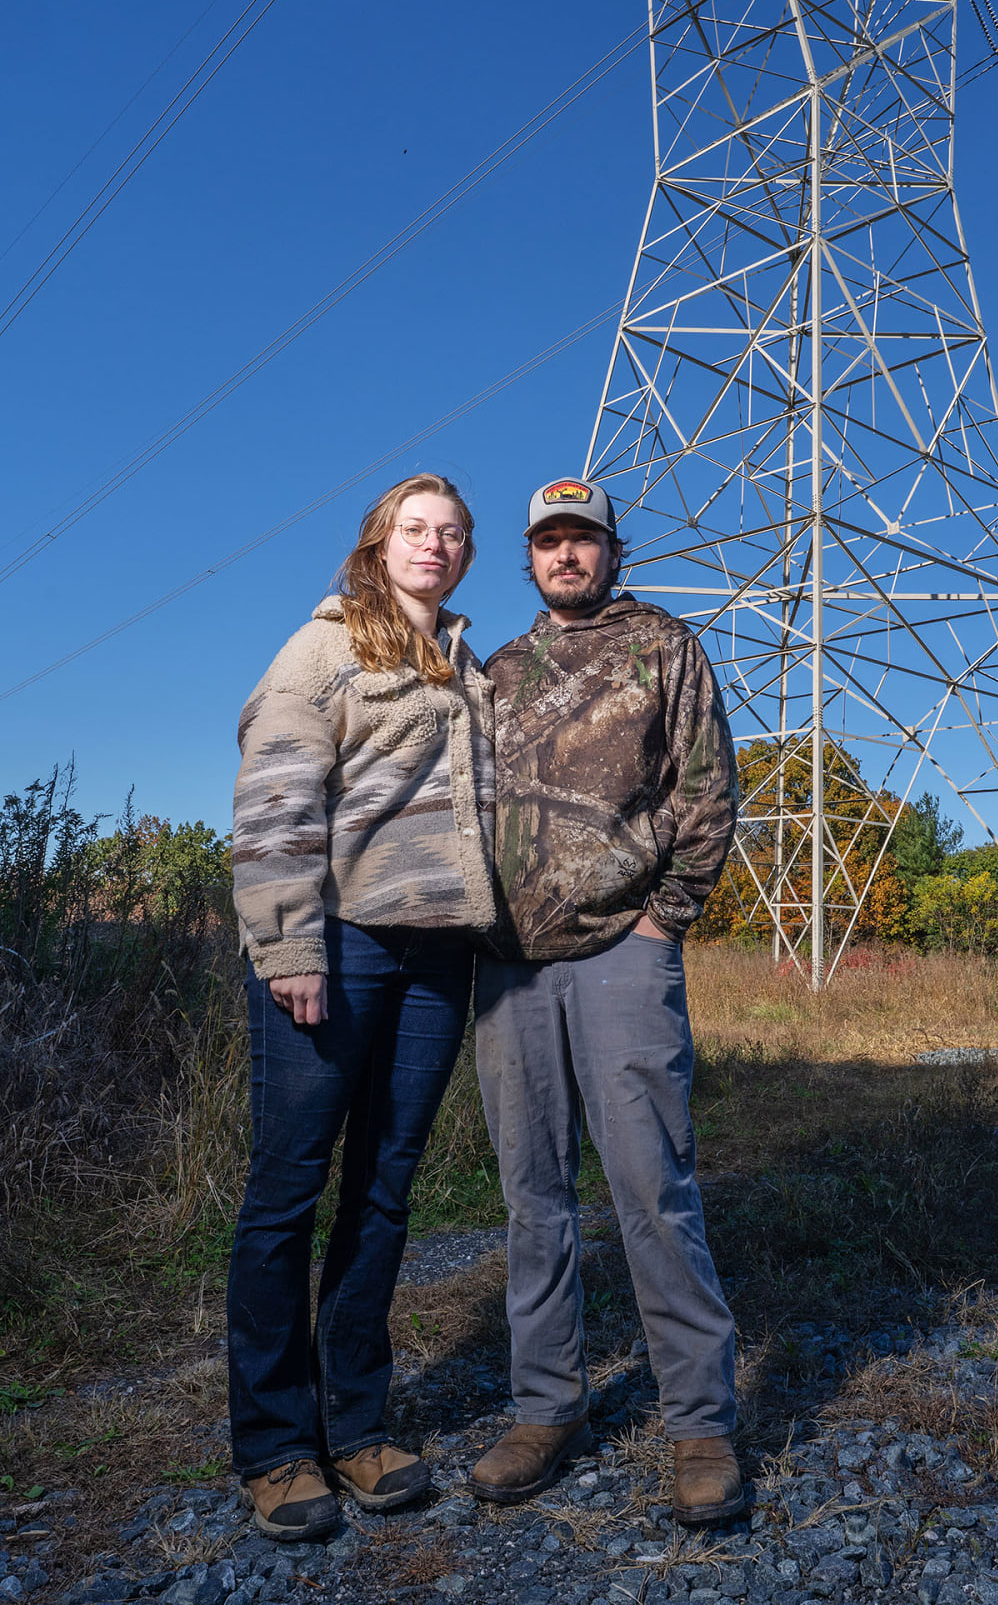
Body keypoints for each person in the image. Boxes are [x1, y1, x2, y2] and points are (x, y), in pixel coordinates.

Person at [227, 474, 497, 1542]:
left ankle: (361, 1425)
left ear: (467, 554)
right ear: (379, 545)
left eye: (452, 533)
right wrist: (289, 940)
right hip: (335, 948)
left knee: (384, 1194)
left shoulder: (466, 665)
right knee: (288, 1195)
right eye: (415, 529)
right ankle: (276, 1446)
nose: (434, 545)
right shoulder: (323, 649)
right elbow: (276, 793)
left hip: (438, 959)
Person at [471, 478, 743, 1525]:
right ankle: (546, 1408)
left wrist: (667, 916)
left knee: (652, 1189)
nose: (567, 557)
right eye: (550, 542)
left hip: (626, 951)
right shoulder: (499, 672)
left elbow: (708, 787)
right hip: (509, 968)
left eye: (584, 540)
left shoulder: (664, 648)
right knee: (532, 1197)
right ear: (530, 559)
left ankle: (701, 1426)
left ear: (612, 552)